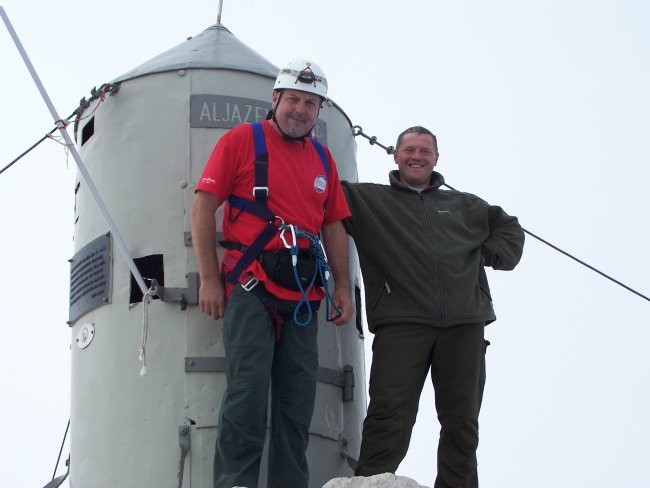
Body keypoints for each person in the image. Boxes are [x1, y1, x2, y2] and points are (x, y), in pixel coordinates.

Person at [190, 59, 353, 488]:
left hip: (305, 295)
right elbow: (203, 207)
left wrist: (341, 285)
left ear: (319, 111)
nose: (300, 109)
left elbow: (334, 224)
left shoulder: (323, 159)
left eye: (311, 103)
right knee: (246, 395)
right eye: (294, 99)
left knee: (296, 404)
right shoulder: (243, 140)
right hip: (250, 286)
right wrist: (209, 279)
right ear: (275, 99)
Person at [341, 126, 525, 488]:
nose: (417, 156)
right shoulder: (369, 200)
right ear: (395, 155)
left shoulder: (466, 207)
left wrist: (488, 255)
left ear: (436, 158)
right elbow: (321, 188)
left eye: (425, 151)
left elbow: (510, 228)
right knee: (390, 413)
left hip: (465, 324)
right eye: (409, 149)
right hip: (402, 323)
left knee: (462, 420)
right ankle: (368, 483)